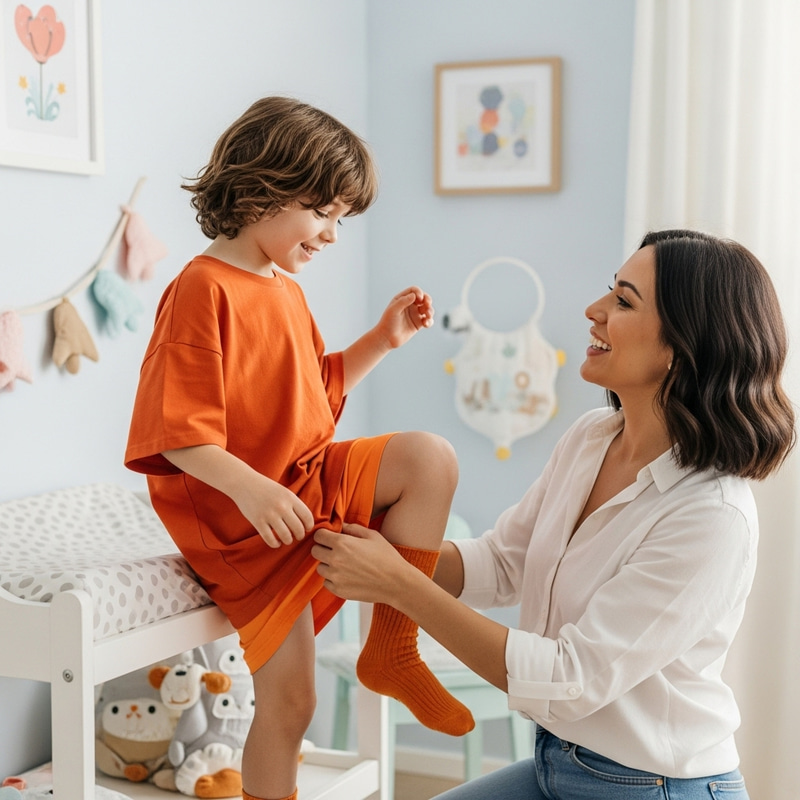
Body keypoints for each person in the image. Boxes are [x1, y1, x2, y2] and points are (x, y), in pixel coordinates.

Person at [313, 229, 796, 800]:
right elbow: (502, 562)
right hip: (556, 762)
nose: (594, 310)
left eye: (623, 301)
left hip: (656, 786)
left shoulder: (712, 515)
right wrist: (366, 545)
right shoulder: (592, 438)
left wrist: (400, 585)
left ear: (680, 348)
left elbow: (569, 680)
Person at [124, 96, 474, 800]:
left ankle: (392, 647)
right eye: (323, 213)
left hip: (302, 484)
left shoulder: (283, 290)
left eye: (343, 219)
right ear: (261, 190)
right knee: (291, 705)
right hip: (245, 522)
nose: (333, 235)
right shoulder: (200, 288)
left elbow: (314, 391)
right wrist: (252, 489)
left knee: (429, 459)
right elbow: (178, 431)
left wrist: (383, 340)